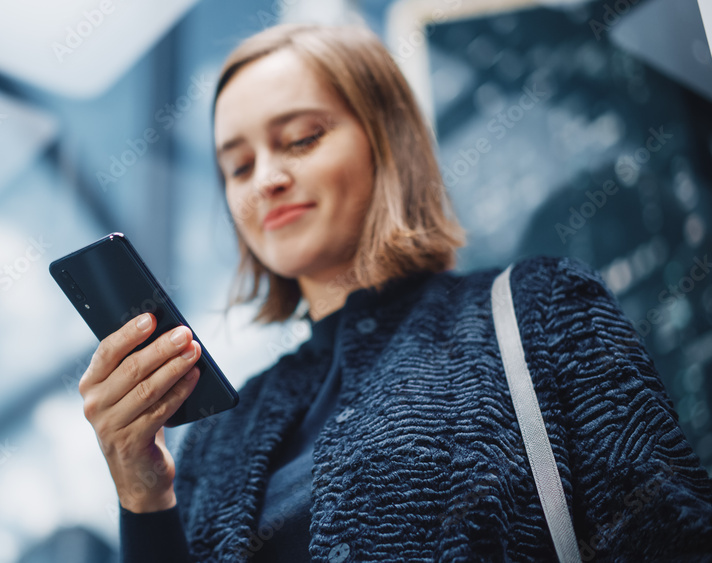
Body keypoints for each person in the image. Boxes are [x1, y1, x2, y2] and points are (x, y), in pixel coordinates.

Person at [76, 22, 712, 562]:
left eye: (300, 138)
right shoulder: (219, 435)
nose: (266, 178)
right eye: (238, 166)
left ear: (388, 145)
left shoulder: (540, 308)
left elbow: (672, 538)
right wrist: (142, 498)